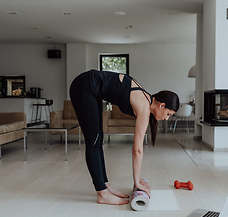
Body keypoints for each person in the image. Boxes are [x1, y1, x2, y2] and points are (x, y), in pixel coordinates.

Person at [70, 69, 179, 205]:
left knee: (98, 140)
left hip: (91, 88)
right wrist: (137, 181)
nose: (166, 118)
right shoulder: (144, 107)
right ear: (162, 105)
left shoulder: (145, 98)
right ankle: (102, 193)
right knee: (94, 140)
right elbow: (137, 150)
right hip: (84, 86)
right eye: (168, 114)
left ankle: (105, 186)